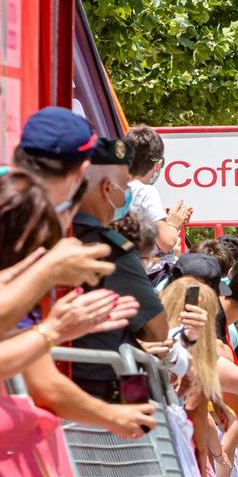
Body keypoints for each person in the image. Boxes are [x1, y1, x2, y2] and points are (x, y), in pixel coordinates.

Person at [69, 138, 169, 400]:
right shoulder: (111, 249)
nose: (126, 196)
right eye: (124, 187)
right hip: (103, 395)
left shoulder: (50, 233)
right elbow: (157, 330)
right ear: (106, 188)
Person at [124, 125, 191, 254]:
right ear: (158, 164)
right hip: (146, 269)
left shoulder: (114, 186)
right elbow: (167, 242)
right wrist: (173, 223)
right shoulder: (146, 192)